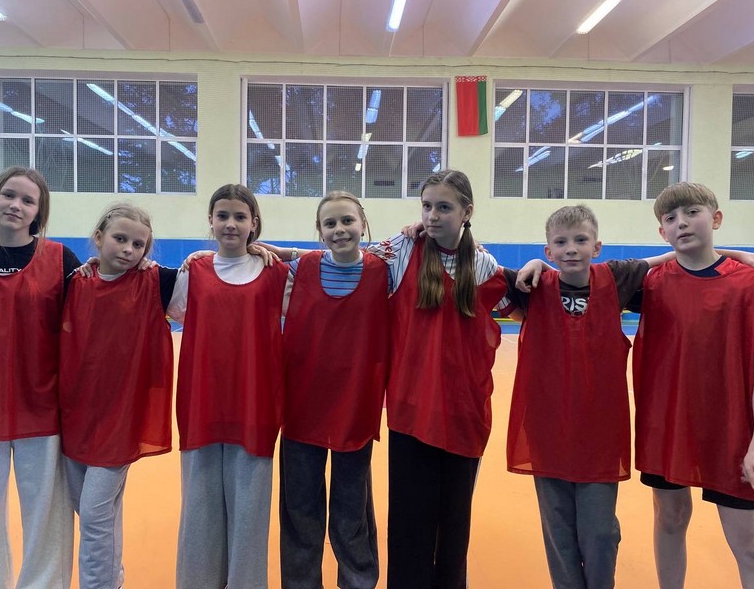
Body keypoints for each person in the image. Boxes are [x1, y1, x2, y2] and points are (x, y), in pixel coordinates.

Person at [503, 205, 672, 589]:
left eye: (580, 240)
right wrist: (532, 264)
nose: (571, 249)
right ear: (548, 251)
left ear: (597, 246)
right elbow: (476, 263)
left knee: (599, 532)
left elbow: (671, 255)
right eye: (561, 242)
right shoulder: (531, 286)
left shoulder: (617, 278)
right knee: (559, 532)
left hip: (599, 434)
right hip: (548, 431)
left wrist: (740, 255)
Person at [381, 169, 509, 589]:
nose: (432, 216)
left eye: (443, 207)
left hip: (464, 412)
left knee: (454, 525)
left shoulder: (485, 265)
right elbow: (345, 257)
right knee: (409, 522)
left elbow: (530, 294)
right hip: (411, 410)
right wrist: (278, 251)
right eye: (426, 206)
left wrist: (537, 263)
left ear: (466, 212)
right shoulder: (403, 250)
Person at [0, 166, 78, 588]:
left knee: (46, 518)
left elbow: (97, 315)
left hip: (41, 407)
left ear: (38, 213)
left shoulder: (60, 260)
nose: (16, 205)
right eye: (9, 195)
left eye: (28, 200)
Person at [633, 182, 754, 588]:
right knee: (670, 518)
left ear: (716, 218)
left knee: (749, 544)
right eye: (670, 218)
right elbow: (581, 277)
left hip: (733, 430)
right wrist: (540, 264)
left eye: (692, 213)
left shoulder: (748, 283)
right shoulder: (650, 283)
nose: (681, 223)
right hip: (667, 425)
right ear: (662, 232)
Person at [169, 184, 288, 589]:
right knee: (199, 506)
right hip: (202, 403)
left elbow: (329, 266)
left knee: (249, 513)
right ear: (211, 220)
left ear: (254, 223)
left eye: (240, 216)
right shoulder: (193, 271)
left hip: (255, 405)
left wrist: (285, 253)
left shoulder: (275, 273)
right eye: (223, 216)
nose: (231, 224)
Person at [59, 203, 176, 589]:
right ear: (98, 237)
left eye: (138, 244)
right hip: (76, 414)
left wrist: (199, 258)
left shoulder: (156, 282)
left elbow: (213, 274)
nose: (128, 249)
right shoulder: (74, 282)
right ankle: (114, 578)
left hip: (121, 420)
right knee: (94, 513)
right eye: (120, 239)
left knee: (95, 516)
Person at [279, 191, 388, 589]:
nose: (340, 229)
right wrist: (198, 257)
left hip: (355, 409)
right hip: (301, 407)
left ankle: (357, 581)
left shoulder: (384, 271)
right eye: (330, 223)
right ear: (319, 230)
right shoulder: (300, 269)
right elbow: (243, 263)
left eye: (347, 221)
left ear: (363, 224)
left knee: (351, 510)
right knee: (300, 509)